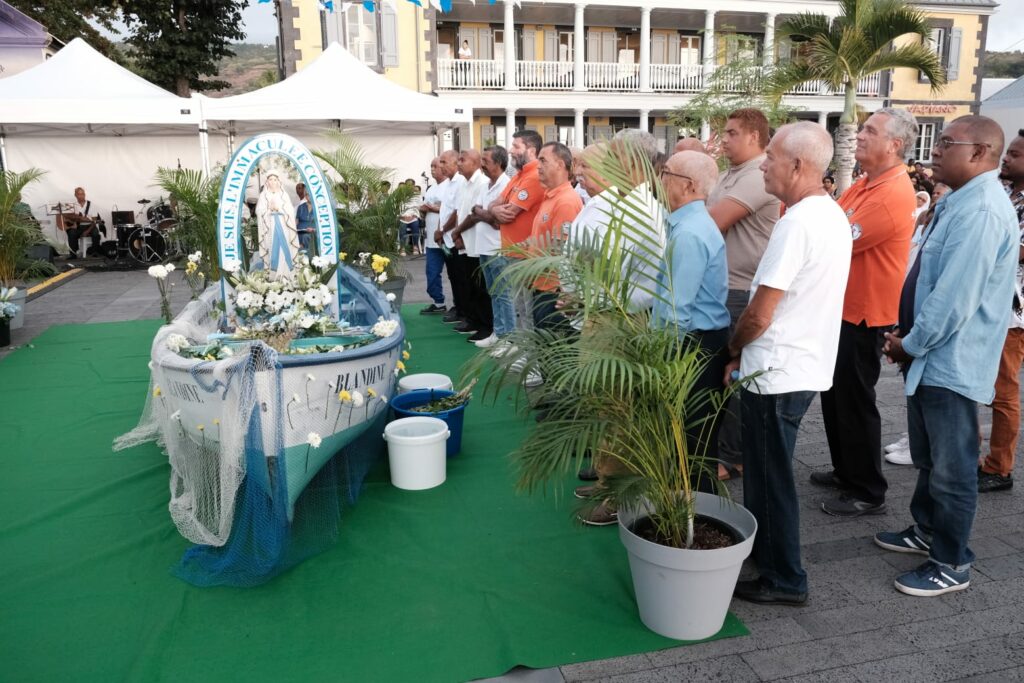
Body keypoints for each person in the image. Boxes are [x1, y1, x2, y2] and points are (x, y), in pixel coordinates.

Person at [877, 116, 1017, 597]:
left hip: (951, 362)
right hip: (930, 356)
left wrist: (910, 343)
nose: (934, 150)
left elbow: (954, 299)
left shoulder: (981, 211)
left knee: (954, 468)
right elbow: (930, 280)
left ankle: (951, 561)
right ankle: (927, 530)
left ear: (979, 153)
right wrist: (908, 335)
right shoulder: (960, 201)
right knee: (932, 459)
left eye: (946, 143)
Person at [725, 122, 852, 605]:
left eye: (772, 156)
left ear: (798, 166)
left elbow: (759, 312)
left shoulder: (798, 222)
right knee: (765, 472)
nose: (763, 164)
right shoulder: (827, 213)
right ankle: (770, 558)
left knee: (770, 477)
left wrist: (735, 348)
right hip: (799, 364)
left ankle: (784, 577)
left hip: (777, 369)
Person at [814, 108, 918, 518]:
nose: (859, 136)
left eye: (870, 131)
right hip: (845, 307)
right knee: (836, 397)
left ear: (894, 145)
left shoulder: (892, 191)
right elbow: (835, 217)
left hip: (864, 313)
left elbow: (836, 235)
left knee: (855, 402)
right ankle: (846, 470)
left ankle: (868, 489)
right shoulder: (866, 182)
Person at [707, 108, 782, 481]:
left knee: (734, 375)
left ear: (754, 137)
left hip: (741, 288)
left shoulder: (756, 175)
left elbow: (710, 221)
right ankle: (724, 449)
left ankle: (733, 455)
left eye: (732, 132)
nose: (725, 138)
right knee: (723, 371)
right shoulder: (729, 174)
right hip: (724, 285)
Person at [652, 150, 731, 483]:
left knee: (692, 440)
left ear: (687, 186)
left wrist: (663, 360)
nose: (659, 179)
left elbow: (676, 310)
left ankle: (695, 517)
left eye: (665, 173)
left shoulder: (689, 233)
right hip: (698, 342)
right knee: (691, 437)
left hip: (692, 346)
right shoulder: (689, 224)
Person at [977, 129, 1024, 493]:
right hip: (990, 305)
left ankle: (999, 468)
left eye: (1016, 154)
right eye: (1008, 151)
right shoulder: (1007, 194)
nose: (1006, 158)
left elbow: (1011, 251)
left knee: (1004, 392)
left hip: (1012, 315)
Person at [490, 129, 546, 336]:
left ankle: (529, 357)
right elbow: (495, 205)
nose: (510, 151)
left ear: (530, 150)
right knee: (519, 309)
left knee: (526, 311)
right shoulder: (519, 175)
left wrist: (494, 211)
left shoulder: (533, 176)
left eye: (516, 146)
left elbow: (509, 213)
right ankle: (523, 351)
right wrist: (494, 210)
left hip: (524, 255)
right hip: (512, 253)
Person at [530, 141, 584, 332]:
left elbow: (561, 251)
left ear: (560, 164)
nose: (538, 166)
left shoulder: (566, 201)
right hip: (542, 287)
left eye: (543, 161)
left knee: (552, 351)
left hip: (554, 291)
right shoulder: (551, 196)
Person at [448, 149, 493, 341]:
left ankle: (486, 325)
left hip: (477, 242)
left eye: (462, 160)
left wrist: (458, 231)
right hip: (466, 242)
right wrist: (458, 233)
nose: (458, 163)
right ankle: (474, 320)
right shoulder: (464, 184)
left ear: (475, 163)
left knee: (481, 287)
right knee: (470, 285)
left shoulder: (481, 183)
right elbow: (460, 211)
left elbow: (474, 214)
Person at [470, 146, 512, 348]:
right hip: (484, 247)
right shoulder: (485, 185)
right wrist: (489, 213)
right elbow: (474, 210)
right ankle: (499, 332)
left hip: (499, 248)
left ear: (499, 163)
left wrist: (484, 214)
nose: (482, 164)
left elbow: (498, 222)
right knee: (493, 292)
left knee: (504, 294)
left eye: (486, 161)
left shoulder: (508, 185)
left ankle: (509, 338)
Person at [436, 150, 469, 326]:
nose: (441, 166)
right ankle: (459, 307)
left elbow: (457, 212)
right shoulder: (448, 183)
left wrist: (443, 230)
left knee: (462, 278)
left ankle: (465, 312)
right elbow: (444, 209)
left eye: (444, 162)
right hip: (447, 238)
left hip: (456, 237)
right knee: (453, 276)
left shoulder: (460, 182)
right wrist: (439, 230)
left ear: (456, 163)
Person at [419, 158, 449, 314]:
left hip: (447, 237)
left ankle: (461, 307)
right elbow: (427, 208)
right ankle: (438, 303)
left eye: (435, 166)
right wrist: (424, 210)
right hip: (431, 238)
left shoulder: (450, 186)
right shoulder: (430, 189)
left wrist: (434, 208)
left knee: (455, 275)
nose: (432, 169)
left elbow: (452, 209)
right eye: (431, 166)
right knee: (432, 273)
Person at [256, 173, 299, 274]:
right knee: (271, 247)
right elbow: (258, 211)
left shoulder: (284, 195)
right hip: (270, 225)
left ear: (278, 181)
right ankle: (273, 272)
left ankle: (287, 272)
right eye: (270, 179)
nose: (273, 182)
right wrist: (269, 209)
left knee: (285, 246)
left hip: (283, 224)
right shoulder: (263, 195)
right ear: (267, 182)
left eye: (275, 179)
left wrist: (279, 208)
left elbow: (290, 211)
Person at [62, 187, 103, 257]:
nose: (81, 196)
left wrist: (87, 231)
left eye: (82, 194)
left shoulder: (91, 205)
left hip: (90, 225)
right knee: (71, 232)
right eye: (79, 194)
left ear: (85, 194)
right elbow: (68, 218)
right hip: (78, 226)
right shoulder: (73, 205)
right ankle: (73, 253)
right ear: (75, 195)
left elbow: (94, 220)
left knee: (96, 234)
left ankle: (94, 252)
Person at [295, 182, 316, 253]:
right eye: (307, 195)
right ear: (305, 196)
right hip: (300, 231)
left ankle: (302, 250)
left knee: (305, 236)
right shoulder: (300, 207)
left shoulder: (318, 208)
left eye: (310, 195)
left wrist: (314, 229)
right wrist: (293, 228)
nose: (308, 197)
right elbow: (296, 221)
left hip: (313, 232)